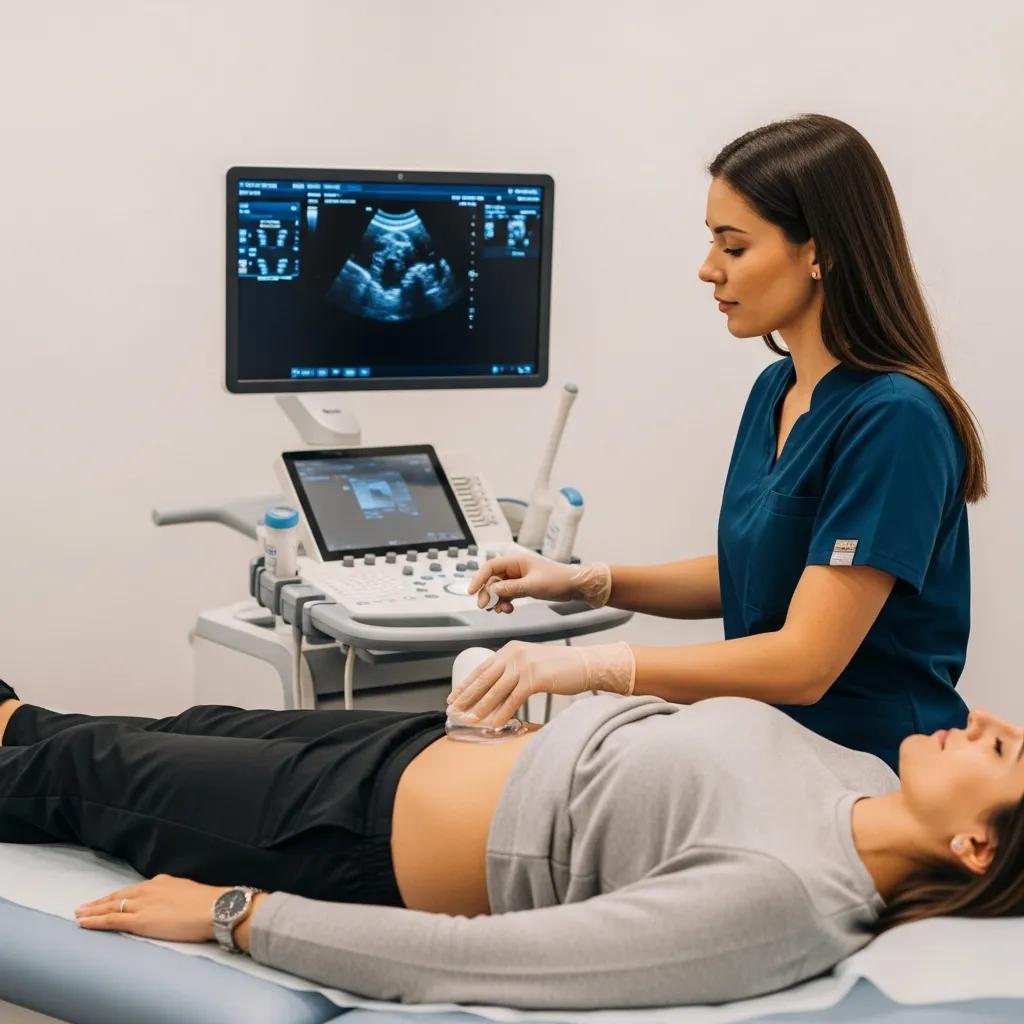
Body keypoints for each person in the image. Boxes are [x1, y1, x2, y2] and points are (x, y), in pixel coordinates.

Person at [454, 113, 986, 771]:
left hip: (870, 774)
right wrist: (588, 581)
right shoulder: (778, 389)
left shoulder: (895, 419)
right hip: (771, 754)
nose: (709, 270)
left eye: (734, 248)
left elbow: (805, 663)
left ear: (821, 252)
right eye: (713, 244)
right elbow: (758, 572)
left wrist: (588, 667)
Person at [0, 681, 1022, 1010]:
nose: (980, 716)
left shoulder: (786, 898)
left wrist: (235, 913)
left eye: (1001, 750)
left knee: (74, 771)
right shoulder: (860, 776)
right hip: (407, 744)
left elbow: (488, 961)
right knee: (131, 728)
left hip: (341, 832)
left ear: (976, 846)